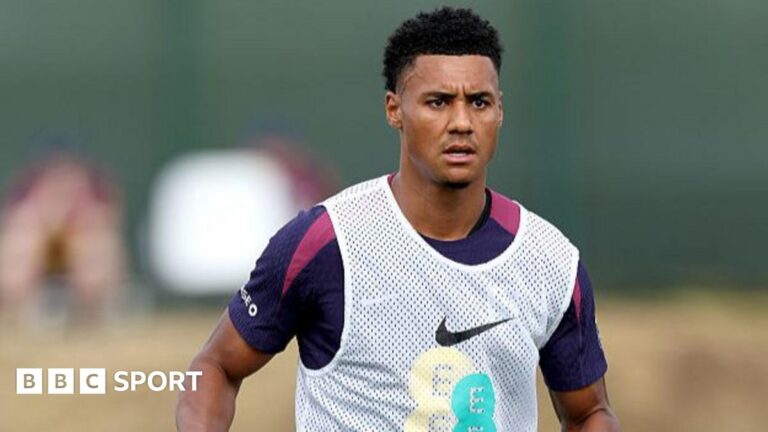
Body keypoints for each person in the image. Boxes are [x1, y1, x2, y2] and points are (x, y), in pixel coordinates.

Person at [177, 7, 619, 431]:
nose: (461, 122)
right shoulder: (326, 243)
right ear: (394, 110)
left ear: (499, 110)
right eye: (438, 102)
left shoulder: (550, 261)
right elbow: (216, 366)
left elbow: (589, 414)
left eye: (479, 102)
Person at [0, 151, 126, 324]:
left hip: (85, 283)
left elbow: (106, 225)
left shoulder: (91, 201)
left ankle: (94, 309)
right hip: (30, 287)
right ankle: (25, 309)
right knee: (22, 242)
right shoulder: (26, 204)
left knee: (96, 247)